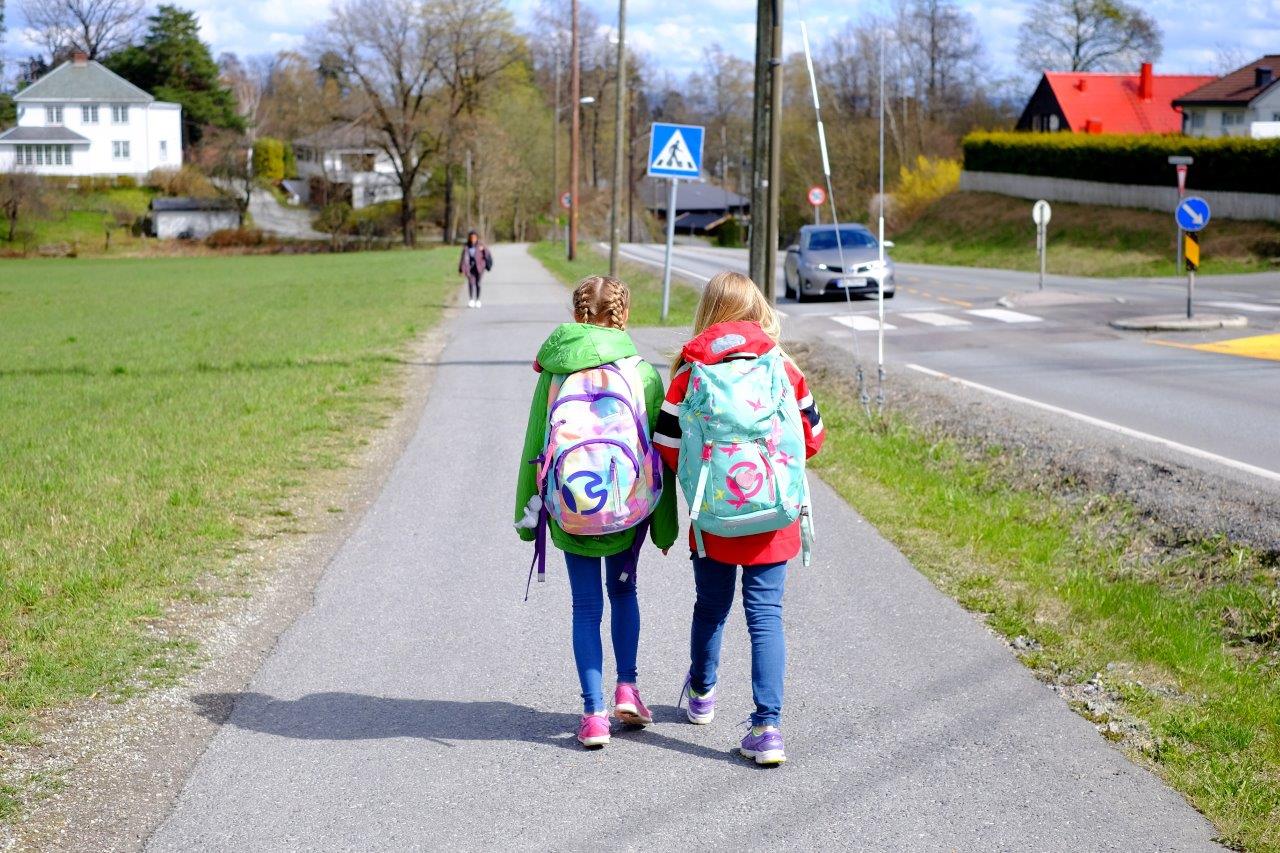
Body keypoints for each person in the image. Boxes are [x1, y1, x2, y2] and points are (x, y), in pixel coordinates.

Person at [653, 271, 825, 765]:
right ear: (757, 310)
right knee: (765, 616)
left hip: (713, 517)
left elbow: (666, 445)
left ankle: (702, 695)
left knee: (710, 607)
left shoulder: (691, 372)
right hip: (774, 515)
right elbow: (813, 437)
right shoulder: (783, 368)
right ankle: (768, 727)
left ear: (708, 312)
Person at [514, 275, 678, 749]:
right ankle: (628, 687)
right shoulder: (642, 371)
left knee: (586, 607)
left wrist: (526, 516)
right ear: (622, 315)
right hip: (627, 510)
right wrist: (664, 526)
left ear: (578, 313)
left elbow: (534, 443)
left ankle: (593, 715)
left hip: (571, 510)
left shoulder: (554, 371)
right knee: (623, 595)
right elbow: (657, 456)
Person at [458, 230, 491, 308]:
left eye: (474, 237)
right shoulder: (466, 246)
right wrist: (461, 269)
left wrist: (483, 250)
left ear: (476, 238)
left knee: (478, 283)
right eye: (471, 237)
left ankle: (478, 300)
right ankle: (471, 300)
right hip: (469, 267)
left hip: (479, 267)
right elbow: (463, 258)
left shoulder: (480, 245)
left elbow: (487, 255)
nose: (473, 239)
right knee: (470, 283)